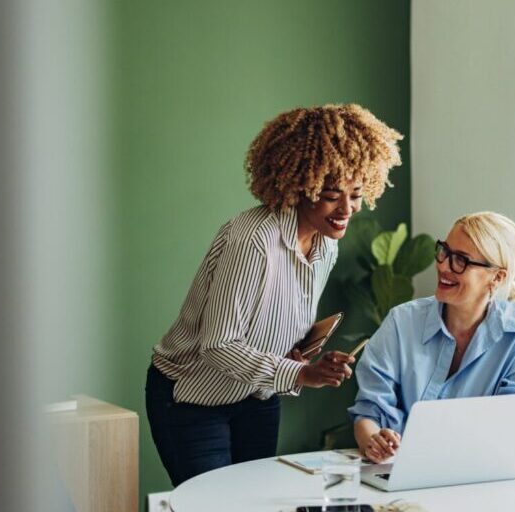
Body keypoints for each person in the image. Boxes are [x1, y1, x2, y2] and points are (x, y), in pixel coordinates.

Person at [147, 104, 404, 486]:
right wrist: (301, 373)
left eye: (355, 194)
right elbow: (217, 345)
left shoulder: (325, 245)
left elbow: (269, 327)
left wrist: (302, 355)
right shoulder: (254, 241)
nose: (347, 209)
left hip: (258, 398)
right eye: (332, 195)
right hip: (192, 401)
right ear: (301, 186)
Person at [349, 212, 515, 463]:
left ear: (497, 277)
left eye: (461, 260)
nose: (443, 266)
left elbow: (514, 425)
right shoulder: (401, 322)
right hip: (399, 471)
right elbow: (369, 411)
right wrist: (373, 440)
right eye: (444, 251)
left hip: (483, 474)